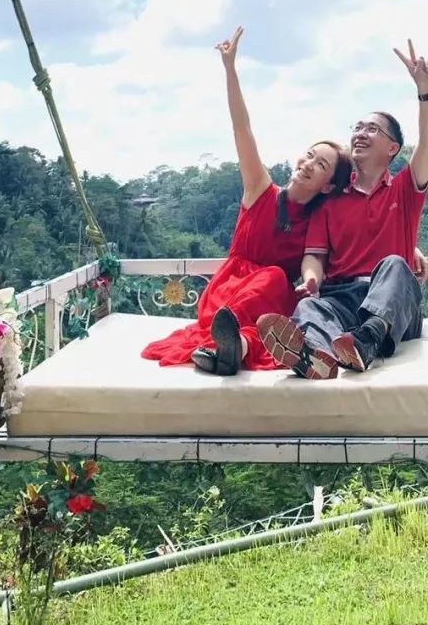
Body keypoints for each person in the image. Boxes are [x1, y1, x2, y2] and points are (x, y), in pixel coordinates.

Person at [141, 25, 352, 375]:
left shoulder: (321, 219)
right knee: (270, 278)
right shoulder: (260, 189)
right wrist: (230, 70)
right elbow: (243, 130)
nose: (308, 164)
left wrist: (412, 249)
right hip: (230, 293)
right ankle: (224, 337)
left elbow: (360, 223)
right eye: (309, 155)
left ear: (329, 185)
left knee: (271, 293)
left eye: (321, 165)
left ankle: (230, 349)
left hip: (272, 303)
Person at [258, 40, 428, 378]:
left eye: (372, 129)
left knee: (396, 265)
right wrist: (311, 281)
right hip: (342, 298)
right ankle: (315, 358)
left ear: (392, 148)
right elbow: (315, 256)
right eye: (357, 127)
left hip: (394, 306)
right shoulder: (330, 201)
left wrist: (424, 91)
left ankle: (368, 341)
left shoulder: (404, 189)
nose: (360, 133)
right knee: (310, 306)